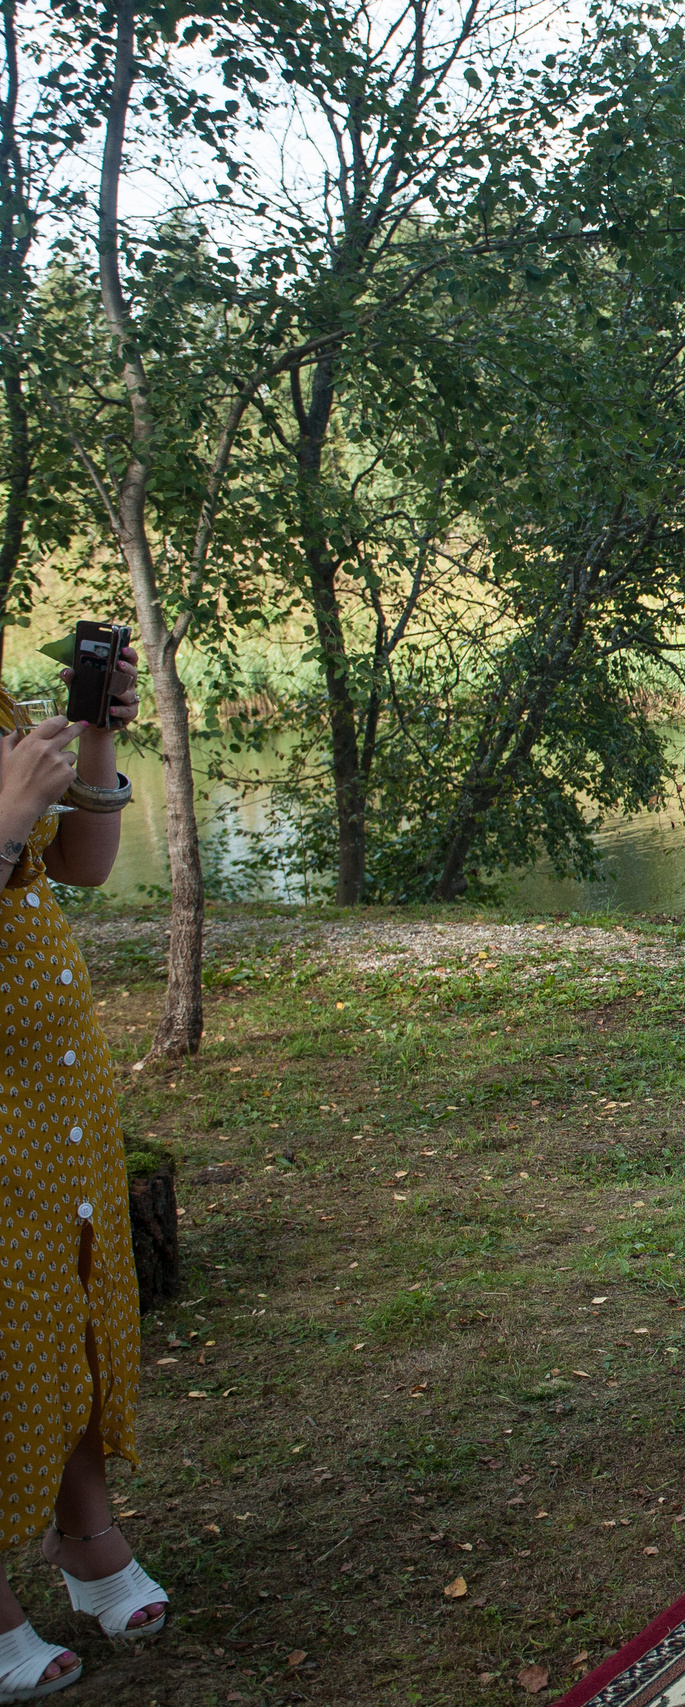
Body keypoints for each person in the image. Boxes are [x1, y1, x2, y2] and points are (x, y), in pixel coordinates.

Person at [0, 639, 165, 1702]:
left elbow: (81, 868)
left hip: (51, 1081)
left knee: (67, 1300)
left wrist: (95, 730)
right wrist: (10, 812)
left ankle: (86, 1531)